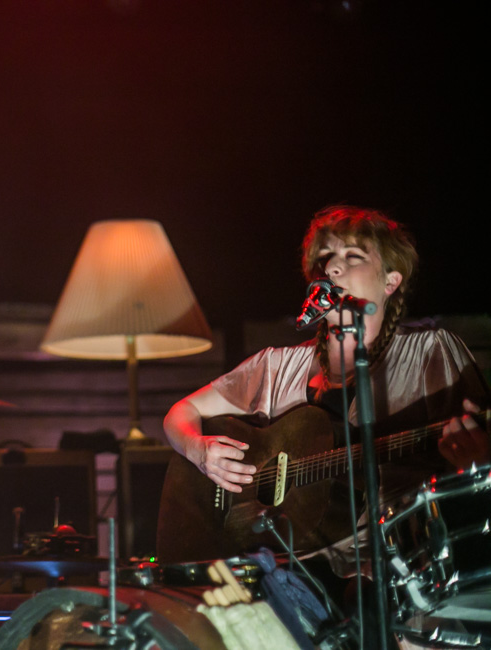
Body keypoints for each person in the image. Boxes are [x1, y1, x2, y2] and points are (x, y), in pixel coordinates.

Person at [157, 206, 489, 598]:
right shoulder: (275, 366)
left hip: (394, 577)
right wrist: (199, 450)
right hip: (281, 576)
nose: (332, 267)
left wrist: (480, 464)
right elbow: (180, 414)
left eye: (353, 256)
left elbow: (475, 478)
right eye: (325, 258)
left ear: (391, 281)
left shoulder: (431, 351)